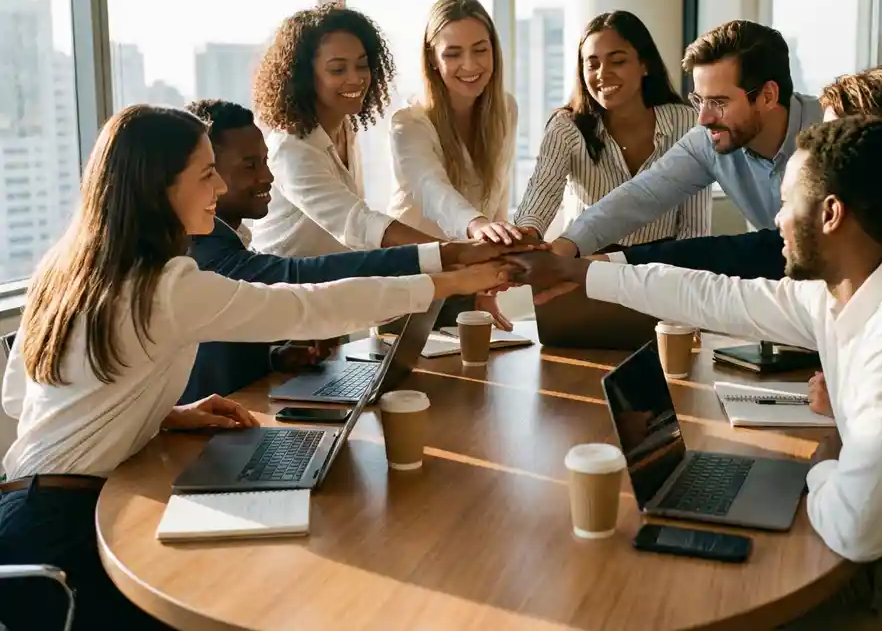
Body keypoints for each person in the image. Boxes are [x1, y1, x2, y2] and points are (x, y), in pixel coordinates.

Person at [0, 105, 510, 631]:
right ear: (159, 190)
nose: (219, 186)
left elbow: (23, 401)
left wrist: (162, 413)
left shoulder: (65, 266)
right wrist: (447, 283)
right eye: (205, 173)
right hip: (63, 544)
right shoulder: (167, 284)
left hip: (21, 518)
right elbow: (305, 305)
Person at [509, 117, 882, 629]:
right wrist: (581, 272)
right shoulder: (849, 290)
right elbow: (715, 295)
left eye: (786, 202)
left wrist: (822, 466)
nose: (775, 219)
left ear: (829, 213)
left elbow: (855, 531)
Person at [595, 65, 882, 417]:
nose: (815, 155)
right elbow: (727, 272)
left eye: (832, 142)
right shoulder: (847, 237)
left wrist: (848, 397)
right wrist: (602, 265)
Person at [184, 99, 529, 401]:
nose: (268, 176)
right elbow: (300, 278)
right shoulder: (207, 253)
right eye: (250, 166)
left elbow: (221, 342)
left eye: (264, 161)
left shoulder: (227, 239)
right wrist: (450, 260)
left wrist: (276, 357)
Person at [546, 20, 824, 257]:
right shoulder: (708, 141)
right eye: (699, 100)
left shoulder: (834, 130)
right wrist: (565, 247)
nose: (703, 118)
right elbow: (639, 196)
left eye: (719, 102)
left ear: (767, 96)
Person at [249, 2, 440, 258]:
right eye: (338, 69)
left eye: (362, 65)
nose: (355, 79)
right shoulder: (291, 148)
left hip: (329, 279)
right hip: (281, 284)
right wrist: (455, 252)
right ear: (304, 76)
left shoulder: (345, 126)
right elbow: (359, 224)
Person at [513, 10, 711, 249]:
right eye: (592, 64)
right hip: (586, 266)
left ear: (644, 65)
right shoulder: (566, 127)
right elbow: (542, 192)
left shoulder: (688, 122)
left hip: (661, 267)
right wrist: (527, 235)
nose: (602, 74)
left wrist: (682, 278)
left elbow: (695, 229)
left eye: (618, 61)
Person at [388, 0, 523, 329]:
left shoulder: (504, 109)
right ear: (432, 60)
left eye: (480, 49)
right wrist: (477, 226)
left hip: (468, 277)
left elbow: (498, 194)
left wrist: (490, 283)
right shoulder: (409, 122)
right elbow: (433, 192)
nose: (471, 65)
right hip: (412, 282)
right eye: (453, 53)